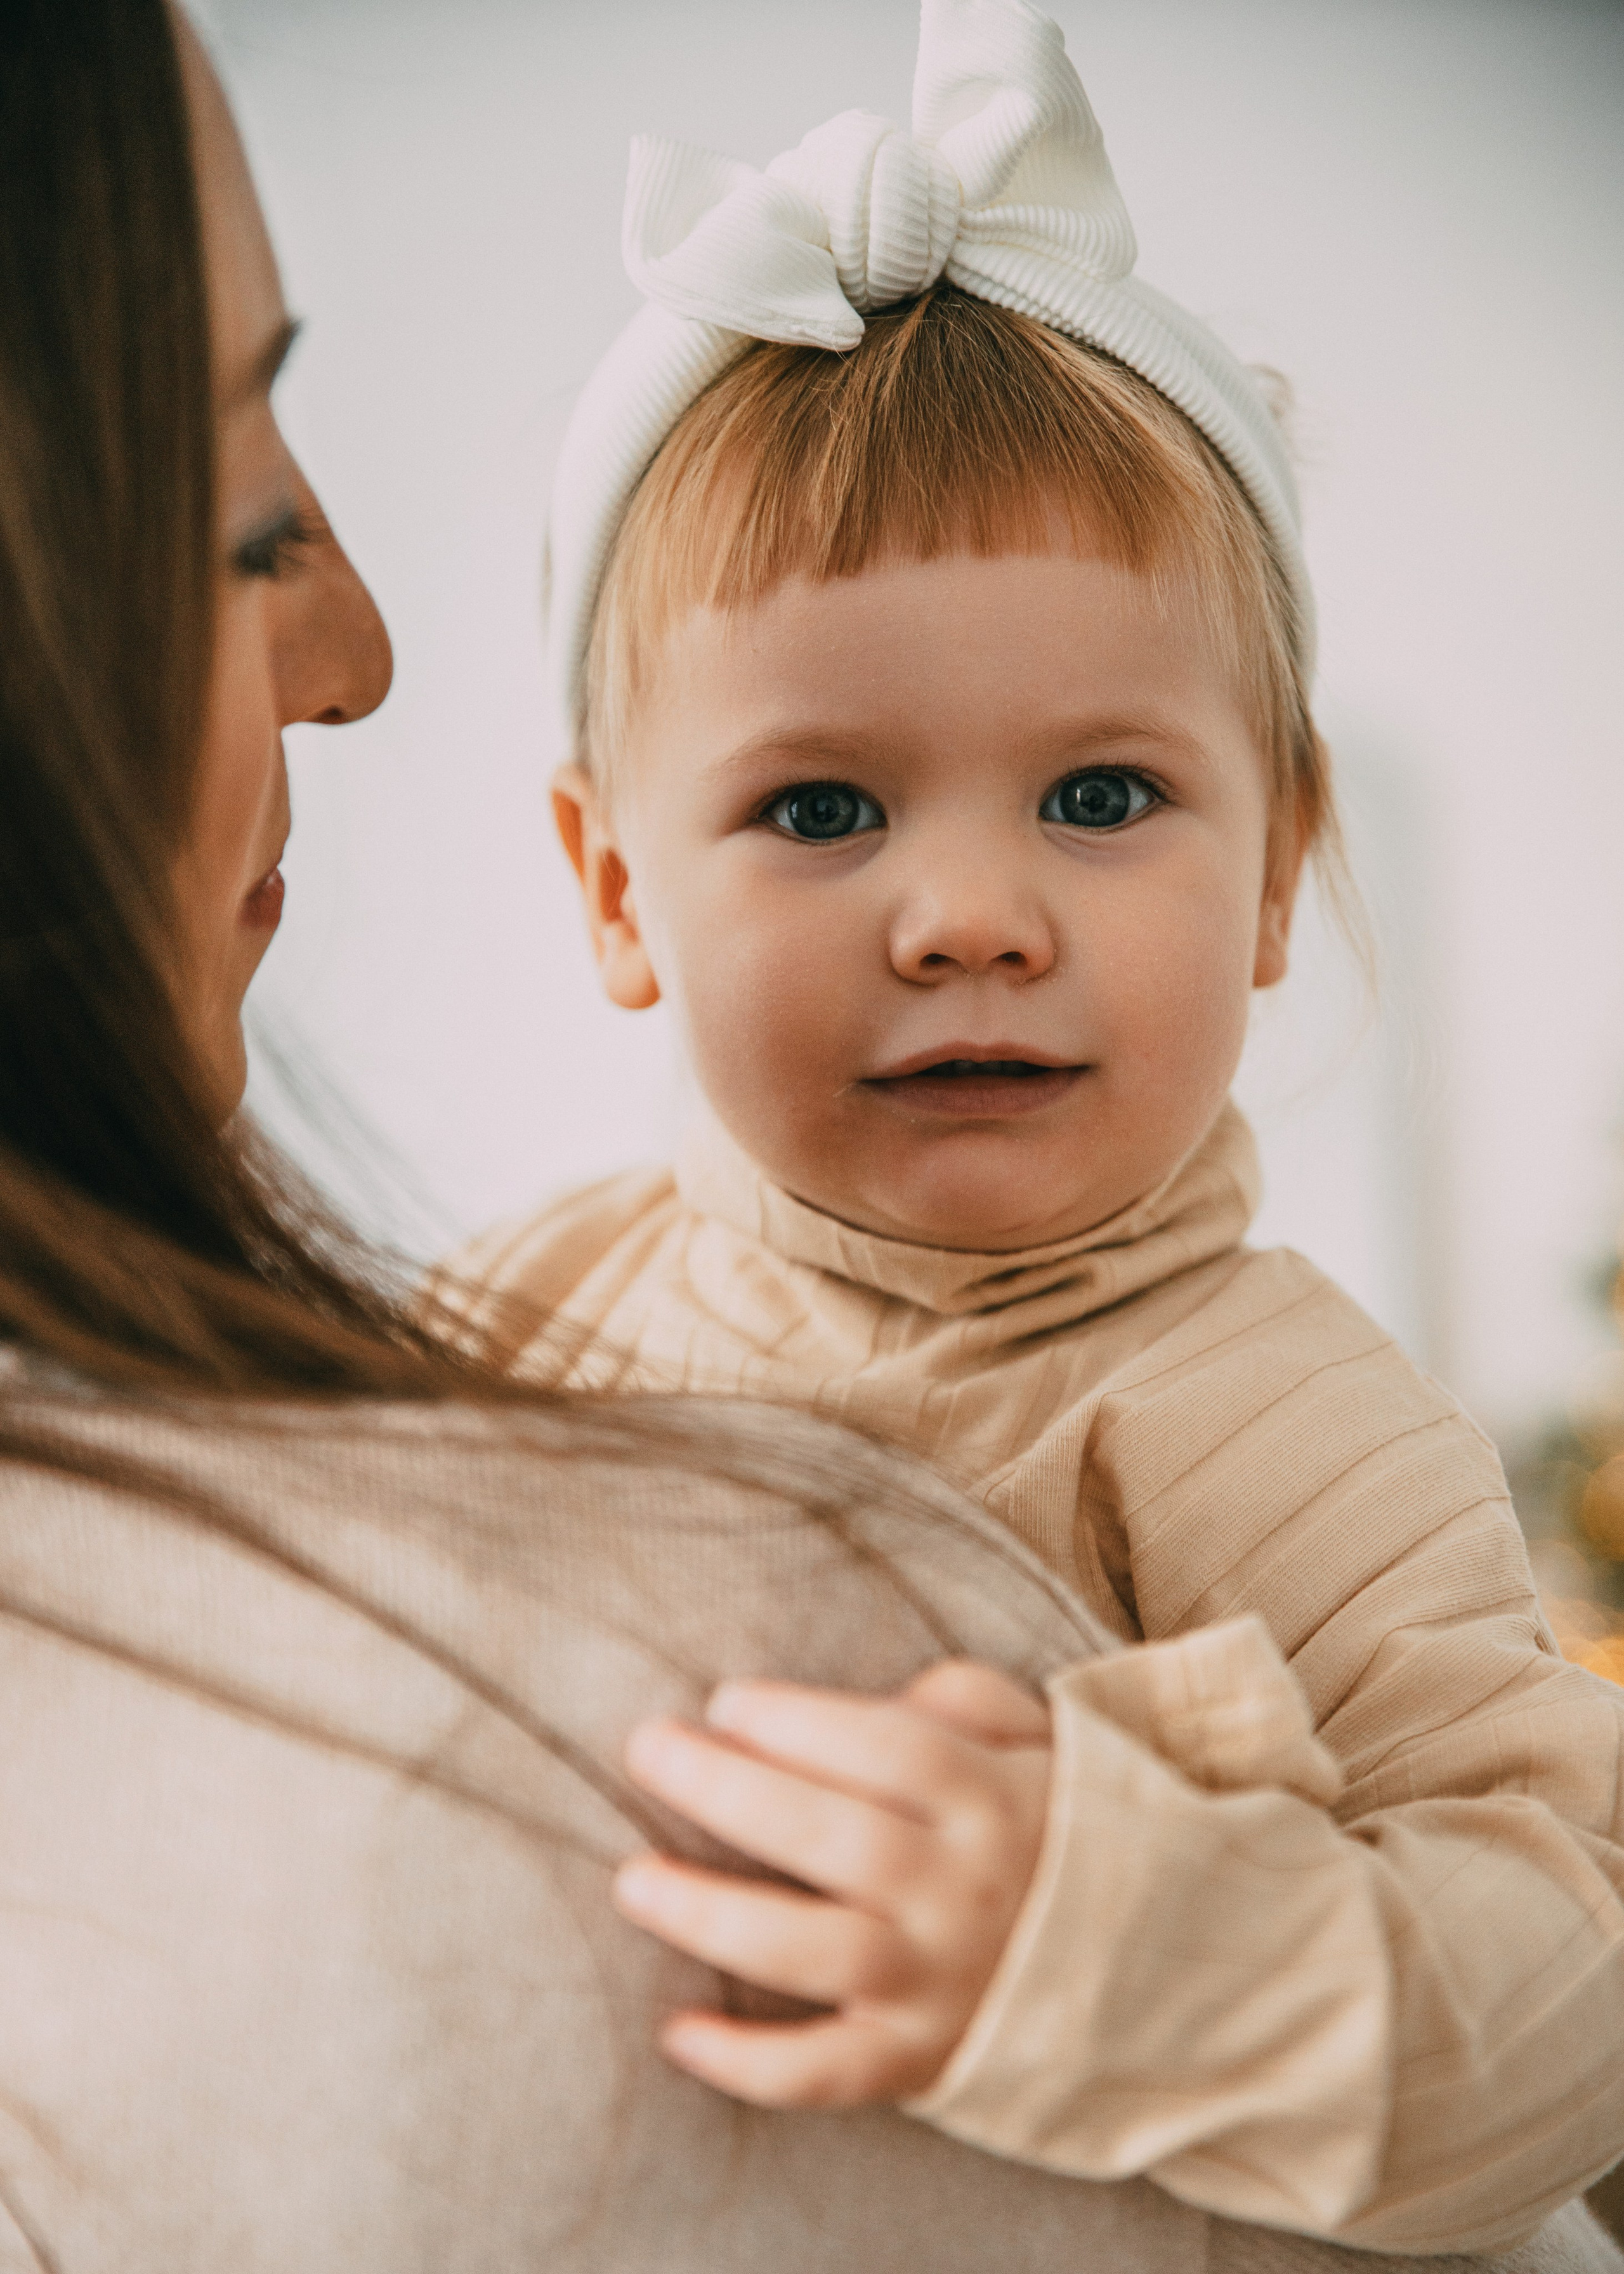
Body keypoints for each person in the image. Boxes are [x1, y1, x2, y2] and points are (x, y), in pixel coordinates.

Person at [15, 2, 1619, 2266]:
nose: (969, 918)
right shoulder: (517, 1311)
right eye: (824, 809)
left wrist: (1138, 1949)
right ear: (613, 890)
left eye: (1101, 794)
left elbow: (1576, 1975)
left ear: (1278, 864)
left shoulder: (1296, 1436)